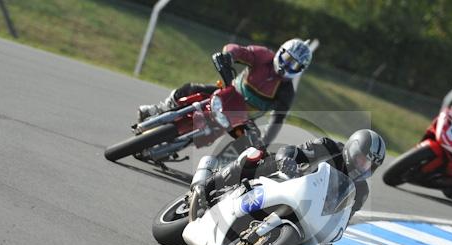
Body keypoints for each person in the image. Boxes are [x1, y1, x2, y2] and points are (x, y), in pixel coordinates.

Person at [138, 38, 313, 146]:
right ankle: (157, 109)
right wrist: (228, 56)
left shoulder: (286, 91)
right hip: (227, 92)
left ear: (301, 69)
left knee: (250, 151)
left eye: (294, 64)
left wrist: (264, 144)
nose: (287, 65)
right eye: (288, 58)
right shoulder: (263, 55)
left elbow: (277, 120)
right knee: (192, 89)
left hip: (242, 120)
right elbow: (238, 50)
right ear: (281, 51)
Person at [195, 129, 386, 216]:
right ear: (353, 149)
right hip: (287, 180)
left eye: (369, 165)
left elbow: (343, 220)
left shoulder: (361, 191)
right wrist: (286, 160)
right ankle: (209, 184)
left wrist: (333, 234)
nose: (363, 166)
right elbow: (294, 150)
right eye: (362, 159)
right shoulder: (329, 147)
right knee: (257, 156)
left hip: (305, 212)